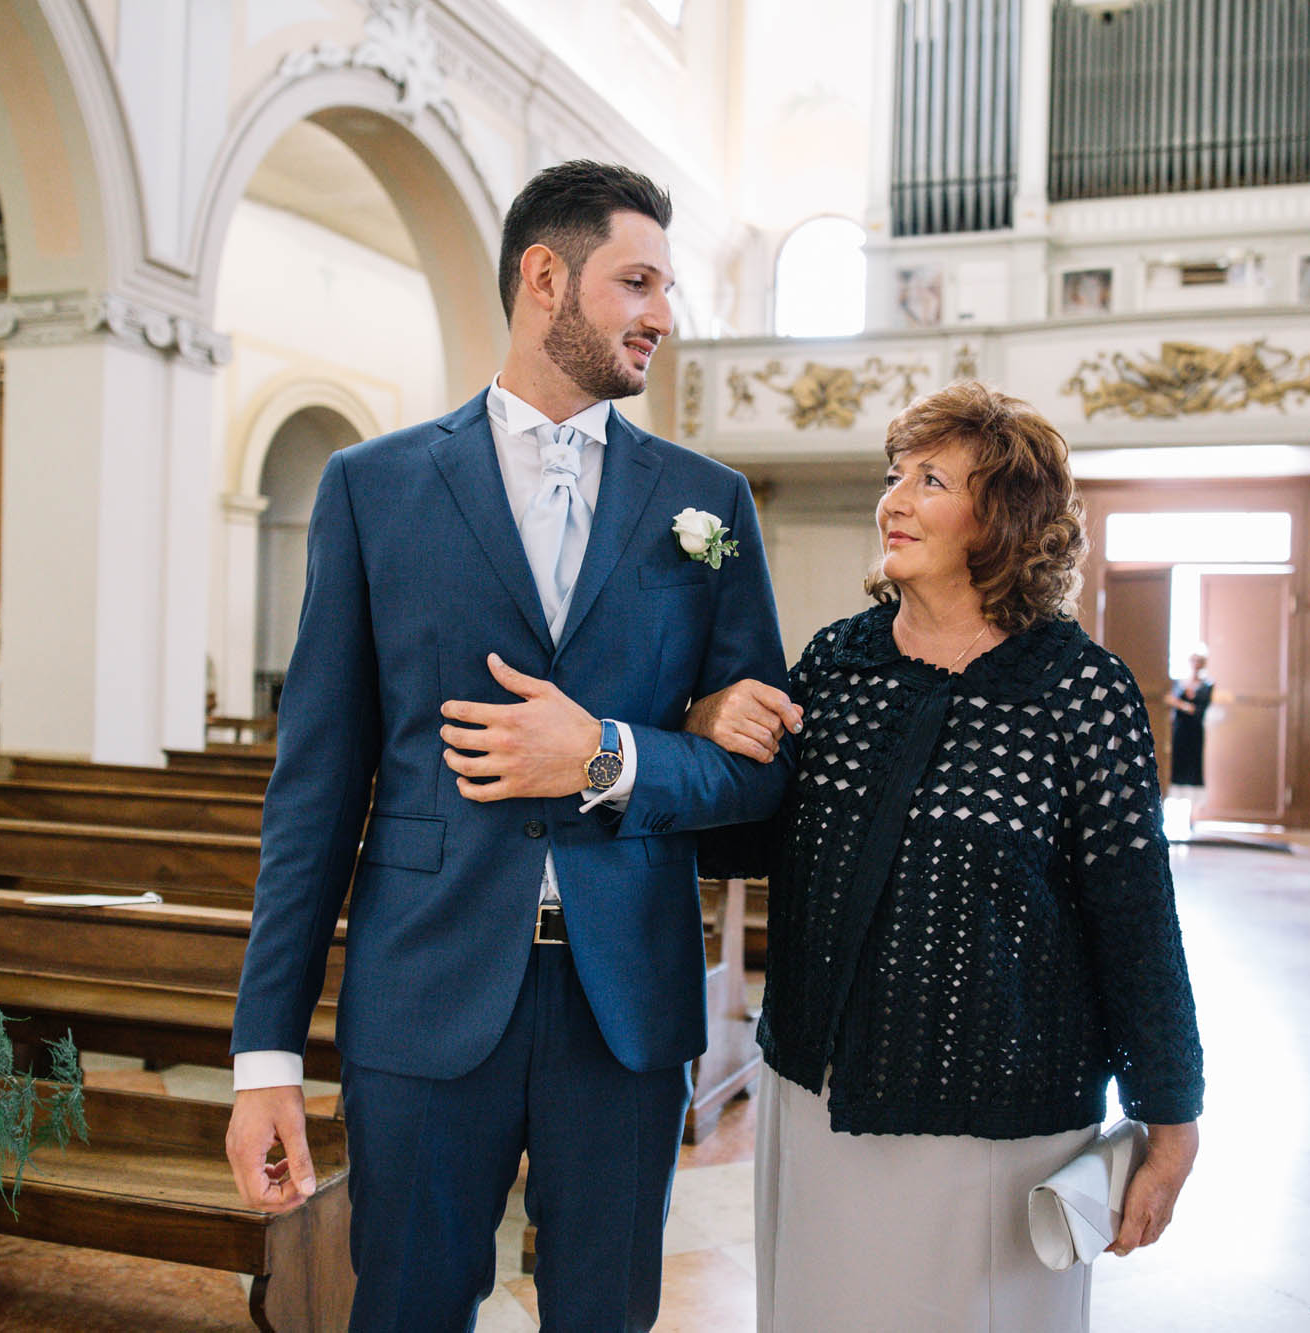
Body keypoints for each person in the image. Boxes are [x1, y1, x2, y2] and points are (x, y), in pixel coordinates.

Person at [226, 160, 792, 1330]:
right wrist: (264, 1057)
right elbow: (315, 795)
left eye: (666, 286)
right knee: (406, 1310)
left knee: (602, 1315)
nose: (663, 316)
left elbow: (759, 779)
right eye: (636, 282)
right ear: (546, 277)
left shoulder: (707, 503)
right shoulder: (370, 488)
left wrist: (609, 756)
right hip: (424, 988)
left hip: (623, 1004)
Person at [688, 381, 1204, 1331]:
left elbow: (1137, 918)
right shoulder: (837, 663)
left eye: (931, 479)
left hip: (1001, 1120)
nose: (894, 499)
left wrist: (1172, 1119)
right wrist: (700, 727)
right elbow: (751, 839)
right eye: (895, 476)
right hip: (821, 1099)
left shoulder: (1080, 692)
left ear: (1004, 517)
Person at [1164, 647, 1216, 833]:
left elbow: (1199, 710)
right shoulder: (1178, 682)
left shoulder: (1207, 685)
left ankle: (1192, 817)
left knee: (1194, 769)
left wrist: (1180, 704)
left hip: (1195, 733)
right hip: (1179, 732)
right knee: (1175, 767)